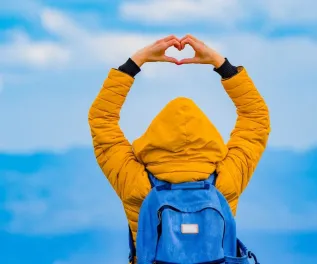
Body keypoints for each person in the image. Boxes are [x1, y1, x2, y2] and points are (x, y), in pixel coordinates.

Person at [88, 34, 270, 257]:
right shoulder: (226, 180)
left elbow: (101, 120)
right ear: (208, 137)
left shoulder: (135, 182)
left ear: (153, 138)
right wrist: (221, 64)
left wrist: (136, 61)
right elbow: (256, 119)